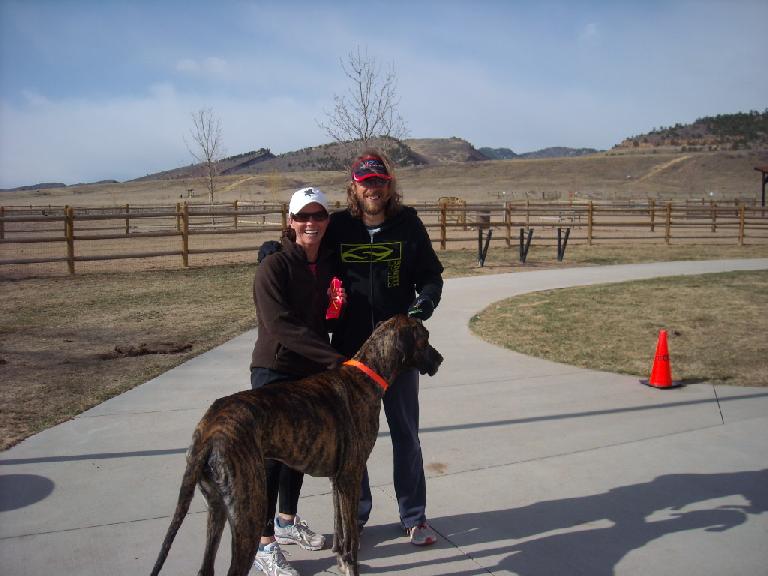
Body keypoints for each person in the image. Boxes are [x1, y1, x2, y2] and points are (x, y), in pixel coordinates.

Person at [324, 149, 444, 546]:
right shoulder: (338, 227)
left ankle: (414, 515)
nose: (372, 188)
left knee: (406, 434)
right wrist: (272, 251)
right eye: (365, 182)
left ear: (388, 186)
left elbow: (431, 277)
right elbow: (303, 253)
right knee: (353, 438)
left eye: (379, 181)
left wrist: (423, 303)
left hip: (399, 355)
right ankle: (357, 515)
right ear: (353, 189)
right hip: (352, 355)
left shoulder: (408, 225)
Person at [250, 186, 346, 576]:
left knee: (299, 453)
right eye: (303, 216)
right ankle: (262, 543)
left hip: (309, 370)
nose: (311, 223)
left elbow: (320, 316)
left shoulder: (324, 264)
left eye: (318, 216)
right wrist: (336, 358)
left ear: (326, 221)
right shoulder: (273, 267)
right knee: (272, 458)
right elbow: (281, 325)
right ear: (290, 222)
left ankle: (287, 522)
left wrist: (335, 310)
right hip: (275, 370)